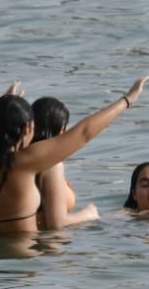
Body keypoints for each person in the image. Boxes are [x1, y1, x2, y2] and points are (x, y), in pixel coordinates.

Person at [0, 77, 148, 238]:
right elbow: (84, 133)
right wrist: (127, 100)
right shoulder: (23, 162)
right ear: (28, 129)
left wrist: (5, 106)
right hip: (19, 265)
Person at [31, 96, 100, 229]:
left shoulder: (22, 159)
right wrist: (88, 214)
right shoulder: (51, 165)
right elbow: (57, 223)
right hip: (49, 244)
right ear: (59, 130)